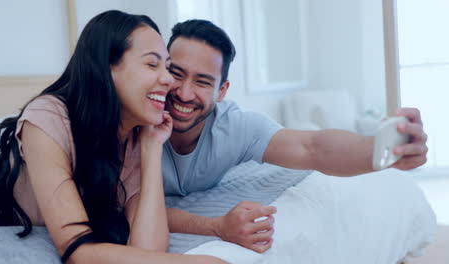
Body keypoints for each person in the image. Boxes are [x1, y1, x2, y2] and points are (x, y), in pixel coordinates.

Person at [162, 19, 428, 253]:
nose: (184, 94)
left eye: (203, 82)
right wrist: (215, 226)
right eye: (176, 74)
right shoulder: (135, 122)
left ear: (221, 91)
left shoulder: (233, 126)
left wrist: (378, 152)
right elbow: (130, 208)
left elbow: (312, 147)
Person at [0, 11, 226, 264]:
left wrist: (151, 148)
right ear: (107, 68)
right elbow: (77, 250)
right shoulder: (46, 118)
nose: (167, 80)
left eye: (166, 67)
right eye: (152, 64)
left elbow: (149, 249)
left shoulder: (135, 133)